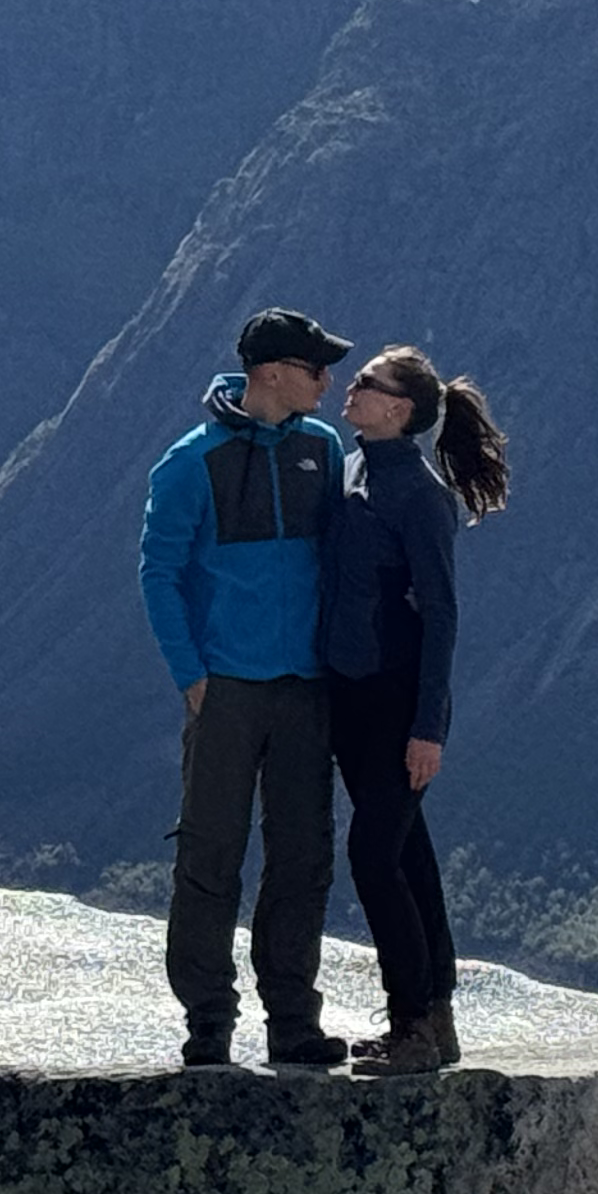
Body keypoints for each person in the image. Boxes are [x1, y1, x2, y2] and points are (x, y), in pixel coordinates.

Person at [139, 307, 354, 1071]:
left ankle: (293, 1022)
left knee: (303, 857)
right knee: (211, 856)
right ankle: (208, 1024)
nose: (329, 381)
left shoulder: (322, 450)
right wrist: (192, 678)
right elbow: (158, 573)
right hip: (226, 690)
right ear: (271, 373)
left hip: (305, 689)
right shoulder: (189, 464)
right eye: (314, 367)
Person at [318, 343, 510, 1078]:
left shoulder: (420, 497)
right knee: (407, 854)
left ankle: (412, 1022)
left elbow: (441, 614)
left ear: (399, 409)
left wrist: (428, 727)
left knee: (372, 855)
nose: (353, 387)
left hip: (398, 705)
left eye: (367, 382)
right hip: (354, 697)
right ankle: (436, 1018)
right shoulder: (356, 465)